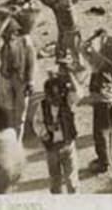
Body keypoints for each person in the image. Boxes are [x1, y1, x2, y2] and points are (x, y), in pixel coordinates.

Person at [82, 31, 112, 174]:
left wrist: (94, 36)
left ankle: (104, 162)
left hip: (101, 100)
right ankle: (108, 156)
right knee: (109, 129)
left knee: (99, 132)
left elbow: (83, 47)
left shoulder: (97, 65)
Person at [39, 59, 81, 194]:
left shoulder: (68, 102)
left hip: (68, 146)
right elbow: (37, 123)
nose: (54, 101)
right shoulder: (42, 106)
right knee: (55, 182)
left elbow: (79, 93)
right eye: (51, 98)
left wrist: (70, 74)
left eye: (57, 98)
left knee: (72, 182)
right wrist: (45, 131)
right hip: (51, 150)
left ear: (63, 95)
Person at [0, 20, 36, 139]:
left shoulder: (24, 41)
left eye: (10, 32)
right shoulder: (3, 45)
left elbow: (31, 61)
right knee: (8, 111)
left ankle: (17, 141)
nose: (8, 35)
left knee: (20, 114)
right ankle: (10, 139)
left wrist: (30, 81)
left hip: (21, 79)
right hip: (7, 79)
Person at [52, 0, 82, 69]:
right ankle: (72, 61)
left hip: (69, 28)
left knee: (71, 46)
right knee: (73, 47)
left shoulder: (63, 0)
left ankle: (74, 63)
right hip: (70, 27)